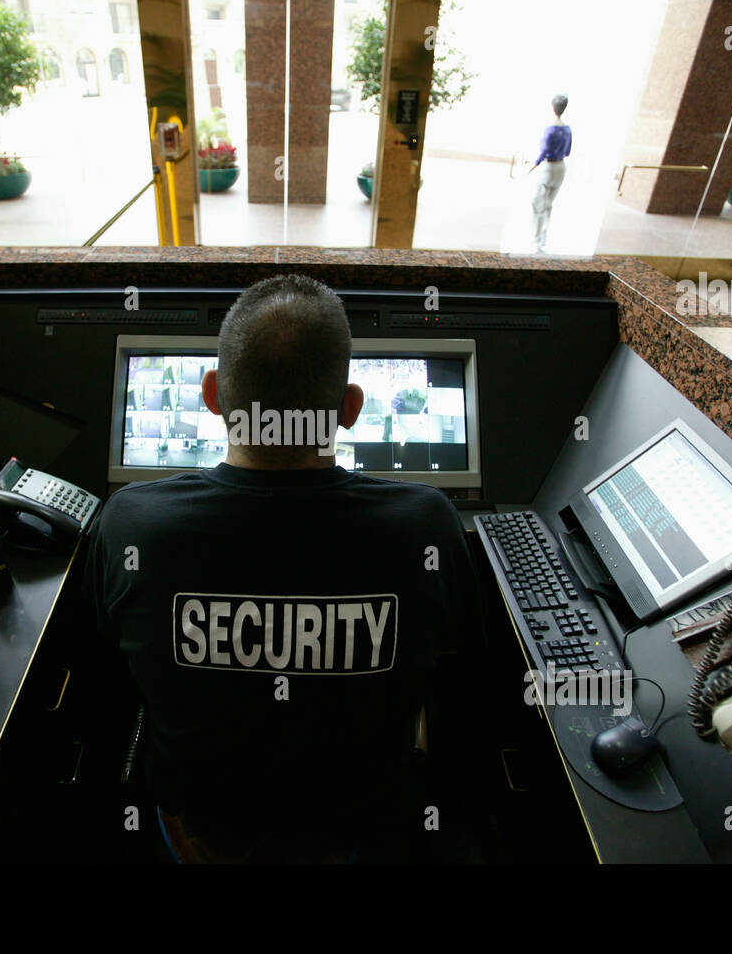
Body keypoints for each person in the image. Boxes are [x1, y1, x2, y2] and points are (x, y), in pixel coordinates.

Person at [84, 274, 481, 863]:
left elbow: (107, 673)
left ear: (214, 395)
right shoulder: (428, 525)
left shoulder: (130, 525)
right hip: (363, 832)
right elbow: (459, 671)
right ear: (350, 408)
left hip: (200, 835)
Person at [530, 93, 572, 253]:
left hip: (548, 167)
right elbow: (567, 151)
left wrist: (534, 165)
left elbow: (544, 150)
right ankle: (543, 237)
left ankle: (536, 239)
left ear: (553, 108)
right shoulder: (567, 130)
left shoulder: (551, 130)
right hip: (561, 167)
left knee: (538, 202)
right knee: (548, 203)